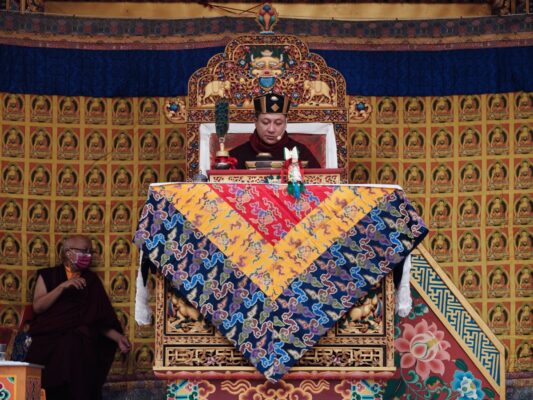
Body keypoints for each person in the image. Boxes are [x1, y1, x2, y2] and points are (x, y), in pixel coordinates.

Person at [26, 235, 130, 400]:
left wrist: (118, 338)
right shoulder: (48, 275)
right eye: (83, 251)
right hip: (49, 340)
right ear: (68, 253)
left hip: (79, 347)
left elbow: (96, 320)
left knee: (76, 344)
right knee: (66, 347)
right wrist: (62, 287)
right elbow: (38, 307)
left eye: (90, 252)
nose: (88, 255)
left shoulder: (90, 281)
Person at [229, 93, 320, 169]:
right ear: (255, 121)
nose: (271, 129)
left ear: (285, 123)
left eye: (278, 123)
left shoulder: (300, 153)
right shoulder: (236, 156)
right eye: (265, 122)